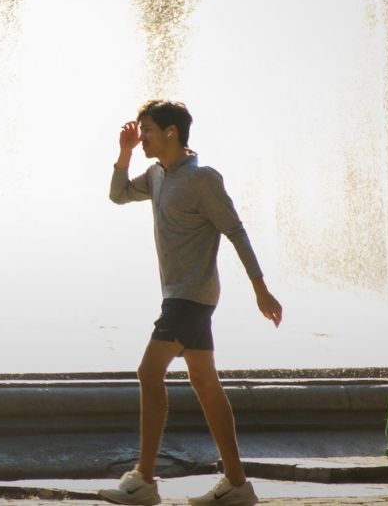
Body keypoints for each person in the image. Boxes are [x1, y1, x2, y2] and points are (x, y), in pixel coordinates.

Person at [99, 100, 283, 506]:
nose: (142, 135)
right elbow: (117, 195)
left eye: (146, 130)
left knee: (149, 372)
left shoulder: (203, 179)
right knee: (205, 384)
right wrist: (126, 151)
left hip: (191, 297)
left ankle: (144, 479)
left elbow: (236, 231)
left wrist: (260, 288)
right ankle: (236, 484)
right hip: (181, 296)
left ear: (171, 132)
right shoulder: (156, 175)